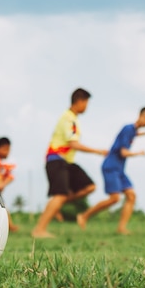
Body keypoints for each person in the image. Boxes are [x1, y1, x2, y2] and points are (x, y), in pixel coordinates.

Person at [31, 88, 108, 238]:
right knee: (59, 195)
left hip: (66, 162)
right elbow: (74, 144)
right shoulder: (68, 118)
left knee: (90, 187)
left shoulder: (73, 119)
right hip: (56, 160)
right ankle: (39, 230)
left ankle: (56, 206)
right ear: (80, 101)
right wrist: (97, 151)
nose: (86, 107)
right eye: (86, 103)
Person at [77, 107, 145, 235]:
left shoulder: (133, 131)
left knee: (131, 196)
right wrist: (138, 153)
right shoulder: (128, 129)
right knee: (115, 198)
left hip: (120, 169)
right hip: (111, 166)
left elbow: (137, 134)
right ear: (140, 115)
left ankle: (121, 228)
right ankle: (84, 216)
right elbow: (123, 152)